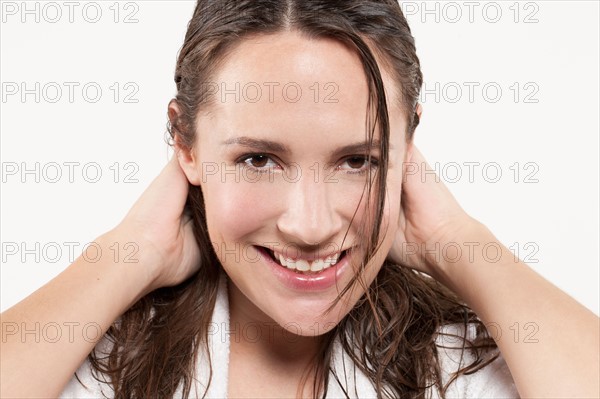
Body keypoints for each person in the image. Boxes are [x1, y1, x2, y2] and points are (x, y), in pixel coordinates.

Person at [2, 1, 598, 398]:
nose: (309, 226)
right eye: (258, 160)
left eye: (357, 160)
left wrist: (459, 242)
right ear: (185, 144)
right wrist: (128, 252)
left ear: (408, 148)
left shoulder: (467, 366)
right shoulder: (101, 362)